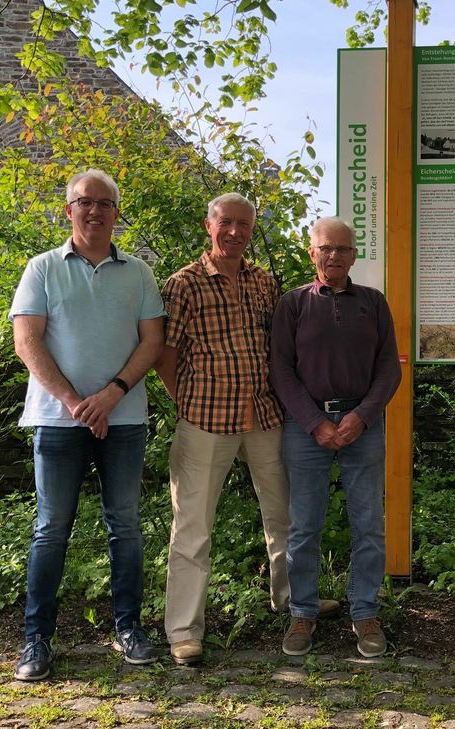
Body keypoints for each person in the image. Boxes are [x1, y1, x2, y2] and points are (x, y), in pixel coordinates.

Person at [156, 193, 338, 666]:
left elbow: (280, 349)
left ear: (252, 230)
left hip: (265, 417)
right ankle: (183, 630)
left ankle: (292, 601)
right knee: (192, 527)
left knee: (286, 517)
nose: (235, 232)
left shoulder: (264, 283)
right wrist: (188, 401)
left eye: (244, 224)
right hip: (205, 421)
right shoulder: (184, 285)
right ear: (208, 225)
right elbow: (165, 355)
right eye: (226, 223)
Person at [9, 169, 165, 681]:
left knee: (124, 525)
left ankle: (129, 630)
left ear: (117, 213)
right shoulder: (43, 268)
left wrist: (110, 395)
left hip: (123, 421)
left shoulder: (139, 272)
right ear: (68, 210)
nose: (94, 211)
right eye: (84, 202)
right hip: (57, 420)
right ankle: (37, 641)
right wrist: (76, 402)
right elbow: (27, 341)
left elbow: (152, 342)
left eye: (104, 203)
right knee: (51, 529)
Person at [270, 216, 401, 658]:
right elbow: (281, 371)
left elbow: (389, 368)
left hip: (363, 426)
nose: (334, 256)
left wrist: (362, 416)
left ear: (354, 256)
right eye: (326, 248)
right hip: (307, 429)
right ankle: (303, 613)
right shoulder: (293, 304)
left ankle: (365, 612)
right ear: (312, 253)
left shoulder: (373, 302)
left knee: (369, 526)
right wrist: (314, 422)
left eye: (343, 249)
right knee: (304, 527)